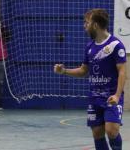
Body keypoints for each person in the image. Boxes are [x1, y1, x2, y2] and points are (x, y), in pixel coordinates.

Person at [53, 9, 126, 150]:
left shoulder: (116, 45)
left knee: (112, 130)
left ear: (96, 25)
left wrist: (117, 95)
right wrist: (64, 71)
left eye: (87, 22)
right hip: (94, 97)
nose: (84, 26)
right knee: (97, 133)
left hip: (111, 96)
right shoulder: (89, 47)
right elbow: (83, 71)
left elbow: (122, 72)